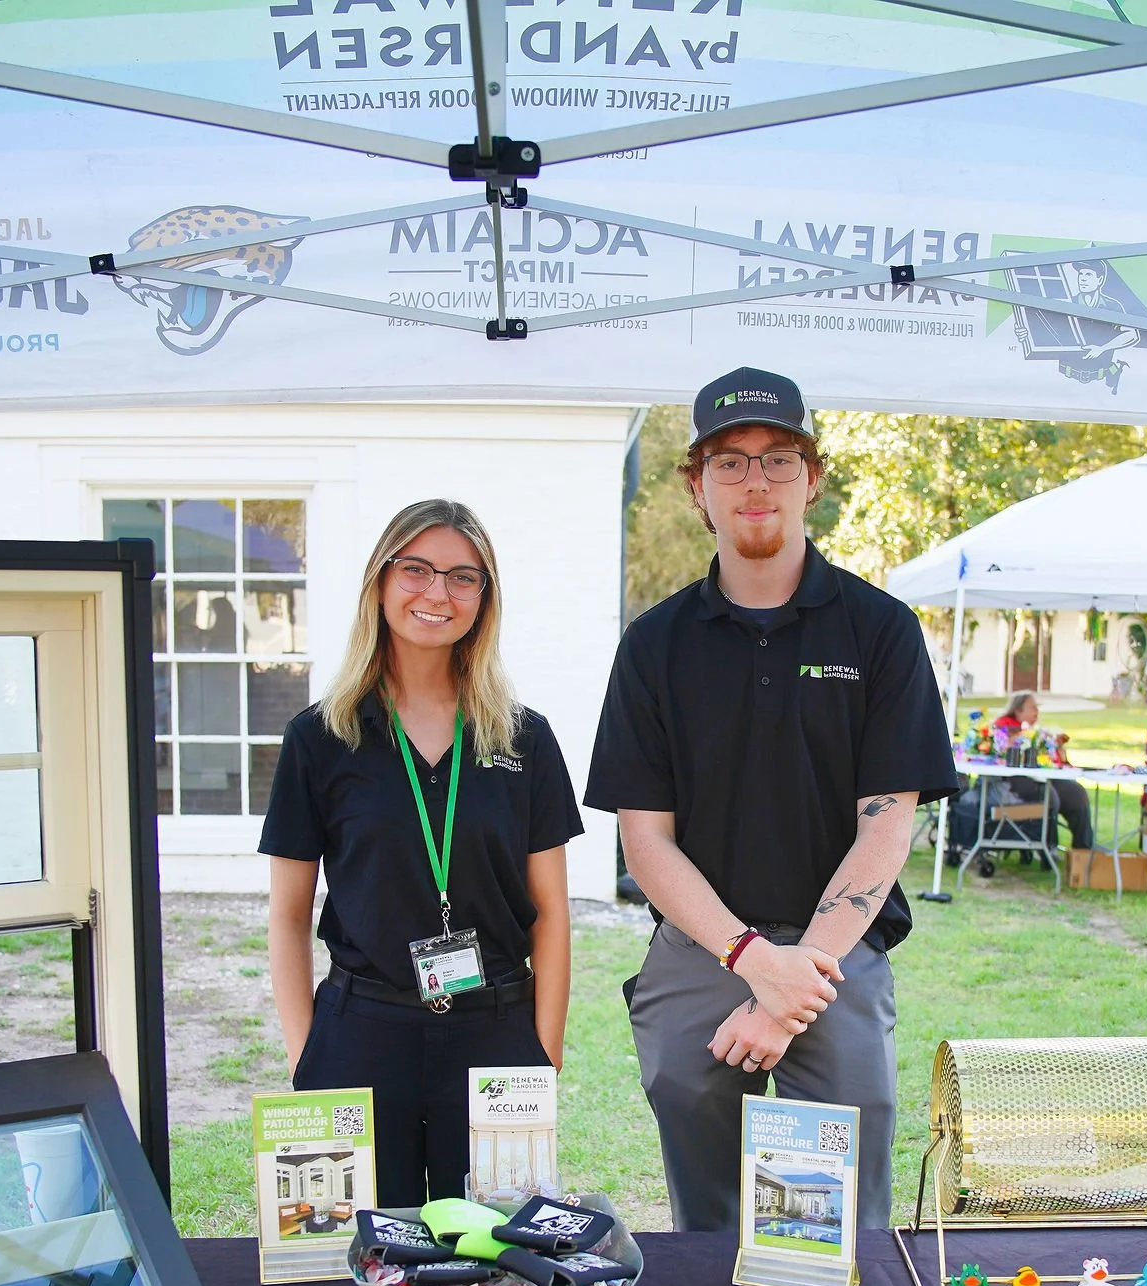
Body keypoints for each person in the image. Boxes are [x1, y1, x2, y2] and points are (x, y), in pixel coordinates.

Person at [585, 367, 959, 1232]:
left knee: (847, 1194)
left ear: (814, 478)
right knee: (698, 1159)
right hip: (704, 946)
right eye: (729, 462)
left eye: (778, 459)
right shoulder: (655, 646)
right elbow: (646, 843)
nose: (756, 482)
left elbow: (886, 825)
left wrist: (796, 983)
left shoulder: (880, 631)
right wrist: (754, 962)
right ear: (696, 488)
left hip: (840, 947)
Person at [262, 499, 583, 1208]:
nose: (437, 593)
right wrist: (306, 1057)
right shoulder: (320, 738)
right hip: (361, 1036)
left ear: (484, 599)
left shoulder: (525, 740)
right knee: (365, 1257)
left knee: (498, 1256)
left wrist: (543, 1060)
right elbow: (287, 917)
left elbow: (552, 917)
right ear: (380, 582)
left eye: (463, 577)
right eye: (416, 570)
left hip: (495, 1034)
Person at [993, 691, 1093, 851]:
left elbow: (1048, 761)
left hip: (1043, 776)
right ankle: (1047, 849)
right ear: (1018, 710)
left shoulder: (1037, 733)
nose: (1036, 712)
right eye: (1032, 708)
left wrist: (1056, 749)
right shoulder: (1003, 728)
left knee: (1076, 793)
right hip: (1012, 781)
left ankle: (1083, 851)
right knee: (1049, 796)